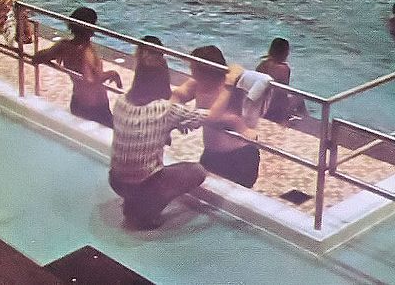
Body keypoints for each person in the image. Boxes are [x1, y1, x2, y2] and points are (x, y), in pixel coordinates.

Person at [109, 38, 207, 229]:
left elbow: (147, 126)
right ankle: (146, 213)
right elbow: (203, 116)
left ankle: (133, 201)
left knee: (146, 170)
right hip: (143, 186)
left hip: (116, 181)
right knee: (197, 171)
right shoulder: (164, 110)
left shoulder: (120, 101)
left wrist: (170, 126)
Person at [172, 45, 263, 187]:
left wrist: (190, 117)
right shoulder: (198, 83)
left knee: (235, 201)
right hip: (212, 154)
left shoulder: (232, 87)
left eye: (194, 69)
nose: (191, 73)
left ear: (206, 71)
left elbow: (217, 117)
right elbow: (177, 95)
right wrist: (176, 114)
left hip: (239, 156)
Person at [32, 6, 122, 127]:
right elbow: (90, 79)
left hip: (77, 103)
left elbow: (37, 57)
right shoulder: (86, 51)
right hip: (95, 107)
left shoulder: (64, 46)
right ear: (91, 27)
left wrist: (54, 58)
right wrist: (112, 73)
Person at [256, 38, 304, 122]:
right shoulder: (284, 69)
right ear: (285, 53)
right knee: (299, 98)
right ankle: (305, 123)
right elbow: (282, 94)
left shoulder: (262, 64)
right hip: (273, 110)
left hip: (259, 105)